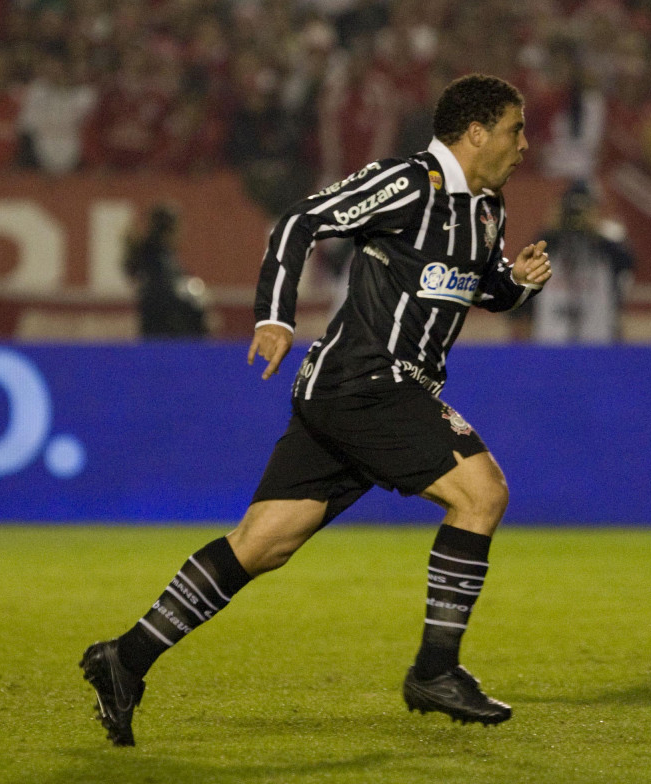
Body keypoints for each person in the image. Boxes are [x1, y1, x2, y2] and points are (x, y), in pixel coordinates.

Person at [80, 74, 552, 745]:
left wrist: (517, 285)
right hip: (366, 380)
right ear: (475, 132)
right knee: (482, 493)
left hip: (363, 391)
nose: (525, 144)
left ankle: (124, 660)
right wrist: (275, 318)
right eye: (515, 128)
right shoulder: (409, 182)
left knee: (262, 544)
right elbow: (300, 222)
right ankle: (435, 670)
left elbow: (481, 290)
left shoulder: (486, 208)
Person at [530, 181, 635, 344]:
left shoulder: (606, 247)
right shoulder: (550, 245)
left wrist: (595, 230)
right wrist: (553, 228)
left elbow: (628, 262)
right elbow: (524, 266)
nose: (577, 216)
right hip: (551, 344)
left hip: (597, 343)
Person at [123, 204, 209, 338]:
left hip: (158, 337)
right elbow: (167, 297)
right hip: (167, 340)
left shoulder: (157, 257)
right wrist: (196, 308)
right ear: (170, 230)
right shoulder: (159, 261)